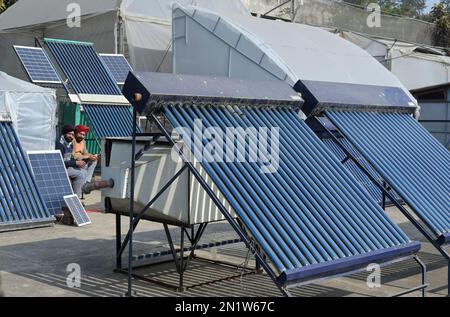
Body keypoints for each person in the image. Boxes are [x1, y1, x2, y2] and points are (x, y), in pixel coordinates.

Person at [55, 124, 89, 198]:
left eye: (73, 134)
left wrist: (79, 162)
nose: (71, 136)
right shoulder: (59, 145)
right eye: (69, 134)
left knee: (84, 171)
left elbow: (69, 158)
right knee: (80, 174)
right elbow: (59, 162)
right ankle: (76, 197)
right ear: (64, 134)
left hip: (67, 167)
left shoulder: (69, 144)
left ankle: (75, 197)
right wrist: (75, 163)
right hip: (60, 169)